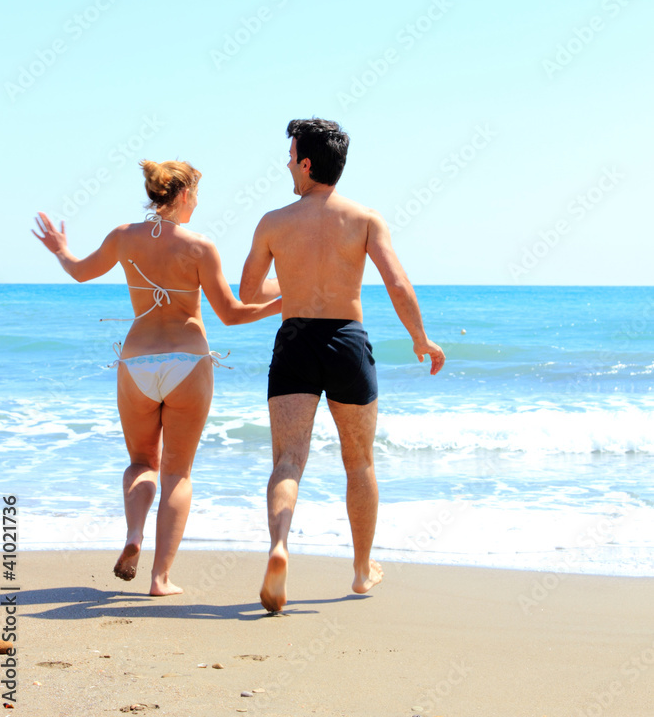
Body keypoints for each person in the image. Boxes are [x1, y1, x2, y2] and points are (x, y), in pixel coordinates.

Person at [33, 159, 281, 596]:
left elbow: (79, 271)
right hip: (187, 362)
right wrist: (287, 299)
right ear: (184, 194)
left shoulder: (123, 237)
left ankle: (133, 534)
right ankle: (160, 579)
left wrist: (59, 248)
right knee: (178, 474)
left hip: (136, 362)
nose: (198, 202)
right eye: (198, 194)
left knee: (141, 463)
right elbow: (232, 314)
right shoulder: (200, 245)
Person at [239, 119, 445, 612]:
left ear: (307, 163)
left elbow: (247, 294)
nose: (287, 163)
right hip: (347, 342)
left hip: (294, 342)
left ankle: (279, 547)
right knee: (360, 461)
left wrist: (295, 280)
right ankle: (360, 569)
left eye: (291, 156)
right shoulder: (366, 218)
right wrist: (421, 338)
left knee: (288, 459)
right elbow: (397, 282)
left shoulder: (273, 222)